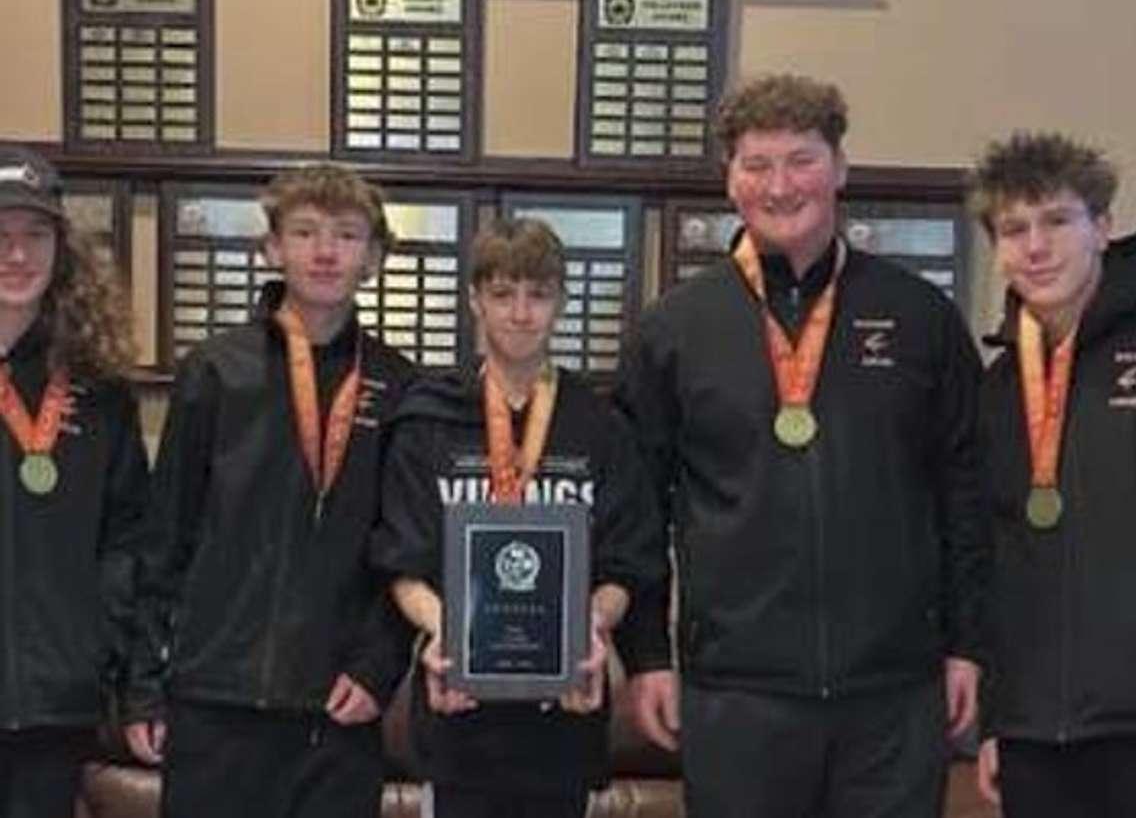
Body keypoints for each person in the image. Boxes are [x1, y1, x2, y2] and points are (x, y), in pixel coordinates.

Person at [613, 73, 990, 818]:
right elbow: (636, 512)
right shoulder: (673, 329)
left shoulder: (920, 316)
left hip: (894, 693)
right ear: (730, 179)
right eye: (757, 164)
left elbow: (965, 492)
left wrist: (968, 643)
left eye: (801, 159)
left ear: (841, 168)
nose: (780, 185)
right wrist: (651, 657)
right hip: (737, 693)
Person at [121, 163, 415, 818]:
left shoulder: (398, 387)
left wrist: (376, 667)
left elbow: (407, 552)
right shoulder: (216, 372)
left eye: (346, 234)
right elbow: (164, 536)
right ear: (273, 248)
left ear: (372, 256)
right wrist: (143, 687)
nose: (325, 250)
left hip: (337, 708)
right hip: (214, 697)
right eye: (305, 231)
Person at [373, 217, 664, 818]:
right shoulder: (427, 419)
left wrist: (588, 622)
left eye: (538, 294)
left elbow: (628, 563)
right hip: (458, 709)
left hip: (566, 714)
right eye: (503, 294)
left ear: (560, 301)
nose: (521, 313)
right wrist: (451, 630)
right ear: (475, 299)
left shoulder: (602, 426)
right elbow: (402, 563)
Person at [972, 132, 1136, 818]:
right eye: (1014, 229)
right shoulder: (998, 386)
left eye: (1057, 221)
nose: (1035, 247)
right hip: (1035, 731)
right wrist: (993, 719)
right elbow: (985, 559)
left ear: (1101, 226)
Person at [0, 146, 148, 816]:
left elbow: (128, 540)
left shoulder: (99, 390)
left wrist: (100, 648)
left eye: (35, 236)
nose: (17, 255)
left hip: (55, 702)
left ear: (62, 251)